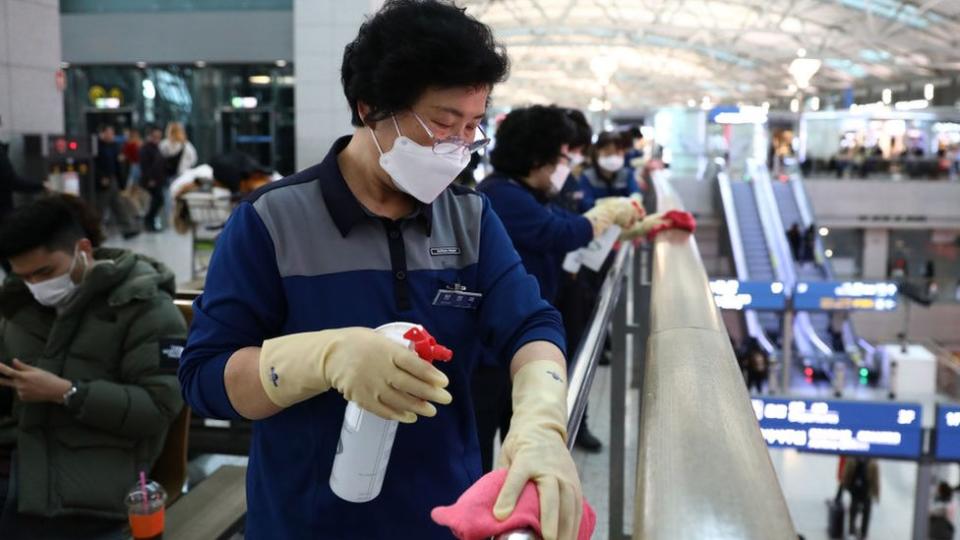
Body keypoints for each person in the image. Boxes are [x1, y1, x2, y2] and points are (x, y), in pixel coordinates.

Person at [178, 2, 583, 539]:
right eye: (442, 123)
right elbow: (205, 379)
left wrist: (540, 422)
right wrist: (320, 358)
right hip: (306, 522)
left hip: (445, 518)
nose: (458, 147)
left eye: (472, 127)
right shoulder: (270, 222)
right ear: (370, 108)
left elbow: (530, 325)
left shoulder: (470, 217)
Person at [0, 195, 185, 539]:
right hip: (22, 466)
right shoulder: (17, 306)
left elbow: (158, 408)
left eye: (45, 272)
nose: (37, 287)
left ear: (83, 248)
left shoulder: (147, 309)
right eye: (25, 277)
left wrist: (67, 392)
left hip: (92, 481)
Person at [474, 105, 640, 465]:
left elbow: (567, 221)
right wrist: (604, 214)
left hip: (515, 339)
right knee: (483, 440)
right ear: (536, 159)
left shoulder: (528, 193)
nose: (563, 168)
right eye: (558, 159)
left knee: (515, 428)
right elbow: (560, 231)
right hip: (493, 348)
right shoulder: (502, 195)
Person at [94, 126, 139, 239]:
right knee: (100, 207)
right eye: (109, 133)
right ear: (102, 133)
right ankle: (94, 231)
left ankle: (127, 229)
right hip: (103, 181)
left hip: (113, 179)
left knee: (119, 205)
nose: (111, 136)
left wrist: (121, 181)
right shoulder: (97, 147)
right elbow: (94, 165)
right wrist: (100, 177)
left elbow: (118, 164)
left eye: (112, 133)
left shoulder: (114, 146)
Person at [578, 131, 640, 210]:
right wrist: (608, 207)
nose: (613, 156)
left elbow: (635, 194)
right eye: (608, 151)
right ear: (597, 151)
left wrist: (636, 201)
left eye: (617, 152)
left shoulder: (627, 174)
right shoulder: (587, 177)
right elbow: (585, 203)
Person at [841, 456, 879, 540]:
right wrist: (876, 494)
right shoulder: (873, 462)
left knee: (853, 511)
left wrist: (845, 486)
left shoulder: (852, 459)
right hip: (865, 491)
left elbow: (846, 474)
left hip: (856, 490)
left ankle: (852, 532)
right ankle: (863, 533)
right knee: (865, 512)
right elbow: (875, 480)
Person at [139, 126, 167, 232]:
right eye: (155, 136)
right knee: (157, 200)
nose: (157, 139)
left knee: (158, 200)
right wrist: (150, 179)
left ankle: (150, 222)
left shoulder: (157, 148)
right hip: (150, 181)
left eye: (159, 137)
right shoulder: (145, 149)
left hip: (158, 180)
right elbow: (145, 166)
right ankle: (148, 221)